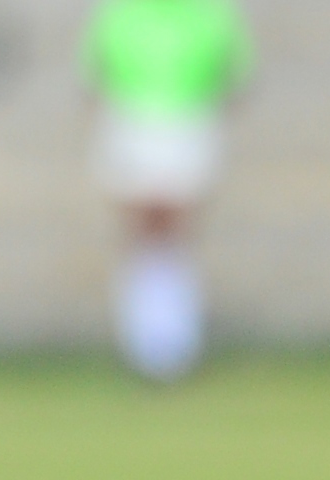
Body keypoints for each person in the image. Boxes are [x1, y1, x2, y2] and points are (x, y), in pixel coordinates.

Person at [82, 0, 249, 381]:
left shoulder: (208, 12)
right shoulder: (122, 12)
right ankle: (146, 344)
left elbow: (232, 74)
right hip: (133, 118)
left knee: (172, 236)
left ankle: (173, 346)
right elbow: (97, 72)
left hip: (187, 118)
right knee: (143, 236)